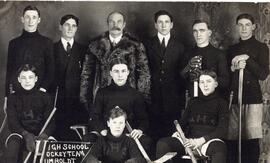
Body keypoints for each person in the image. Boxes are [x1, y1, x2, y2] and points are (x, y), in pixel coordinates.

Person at [80, 11, 151, 113]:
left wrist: (142, 99)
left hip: (128, 96)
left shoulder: (135, 45)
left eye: (119, 22)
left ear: (124, 24)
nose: (115, 25)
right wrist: (85, 99)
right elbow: (86, 74)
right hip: (102, 97)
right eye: (112, 22)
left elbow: (144, 74)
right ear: (107, 23)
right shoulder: (95, 45)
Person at [156, 70, 228, 163]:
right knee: (163, 144)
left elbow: (222, 130)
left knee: (219, 149)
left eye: (209, 81)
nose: (205, 85)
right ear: (199, 85)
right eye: (202, 82)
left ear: (216, 84)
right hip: (188, 141)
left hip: (209, 141)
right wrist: (177, 132)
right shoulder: (193, 102)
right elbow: (182, 124)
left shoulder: (221, 103)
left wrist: (200, 141)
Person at [227, 13, 269, 163]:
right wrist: (233, 67)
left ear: (253, 27)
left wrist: (247, 59)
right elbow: (227, 74)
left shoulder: (261, 47)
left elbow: (263, 74)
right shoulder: (231, 49)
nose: (244, 28)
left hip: (253, 98)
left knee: (251, 139)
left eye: (247, 25)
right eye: (240, 25)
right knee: (232, 138)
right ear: (237, 27)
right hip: (234, 98)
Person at [89, 57, 151, 150]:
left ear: (128, 72)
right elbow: (95, 116)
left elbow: (144, 119)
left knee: (146, 141)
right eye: (116, 71)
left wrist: (139, 130)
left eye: (123, 71)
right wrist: (102, 130)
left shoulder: (135, 94)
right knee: (88, 139)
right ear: (111, 73)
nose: (120, 75)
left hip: (128, 136)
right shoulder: (102, 93)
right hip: (106, 134)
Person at [145, 10, 187, 142]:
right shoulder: (146, 44)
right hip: (153, 97)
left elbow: (182, 75)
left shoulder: (180, 46)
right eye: (160, 22)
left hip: (173, 98)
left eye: (167, 22)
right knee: (153, 132)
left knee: (171, 133)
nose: (163, 25)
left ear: (172, 25)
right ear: (155, 25)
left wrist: (179, 97)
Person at [4, 64, 55, 163]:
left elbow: (51, 122)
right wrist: (26, 134)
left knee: (52, 148)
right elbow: (13, 123)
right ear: (19, 79)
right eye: (23, 77)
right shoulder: (12, 98)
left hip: (41, 136)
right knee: (12, 147)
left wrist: (45, 135)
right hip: (21, 135)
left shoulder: (46, 97)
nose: (27, 81)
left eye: (30, 77)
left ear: (36, 79)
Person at [52, 14, 88, 141]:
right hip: (57, 101)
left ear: (77, 28)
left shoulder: (84, 50)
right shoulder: (51, 49)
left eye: (73, 26)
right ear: (60, 27)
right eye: (67, 25)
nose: (70, 28)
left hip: (76, 101)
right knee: (58, 135)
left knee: (75, 138)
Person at [5, 5, 54, 95]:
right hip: (18, 95)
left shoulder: (47, 43)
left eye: (34, 17)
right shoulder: (14, 43)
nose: (31, 21)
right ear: (22, 19)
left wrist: (43, 89)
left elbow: (50, 70)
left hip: (40, 94)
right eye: (27, 17)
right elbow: (10, 72)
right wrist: (7, 96)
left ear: (39, 20)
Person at [181, 19, 229, 97]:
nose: (198, 34)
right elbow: (180, 80)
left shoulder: (219, 54)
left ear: (209, 33)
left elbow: (225, 82)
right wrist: (188, 68)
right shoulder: (187, 54)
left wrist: (206, 76)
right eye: (195, 31)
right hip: (192, 100)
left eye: (202, 30)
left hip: (212, 100)